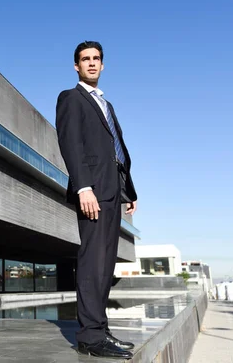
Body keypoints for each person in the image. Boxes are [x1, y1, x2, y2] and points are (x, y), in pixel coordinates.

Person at [55, 41, 138, 359]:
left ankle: (99, 329)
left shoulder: (106, 104)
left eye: (96, 59)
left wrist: (129, 190)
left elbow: (116, 150)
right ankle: (89, 336)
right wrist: (83, 187)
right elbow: (71, 144)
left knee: (105, 263)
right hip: (92, 191)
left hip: (113, 190)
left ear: (102, 65)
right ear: (76, 66)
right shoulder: (71, 98)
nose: (91, 63)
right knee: (92, 261)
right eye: (85, 59)